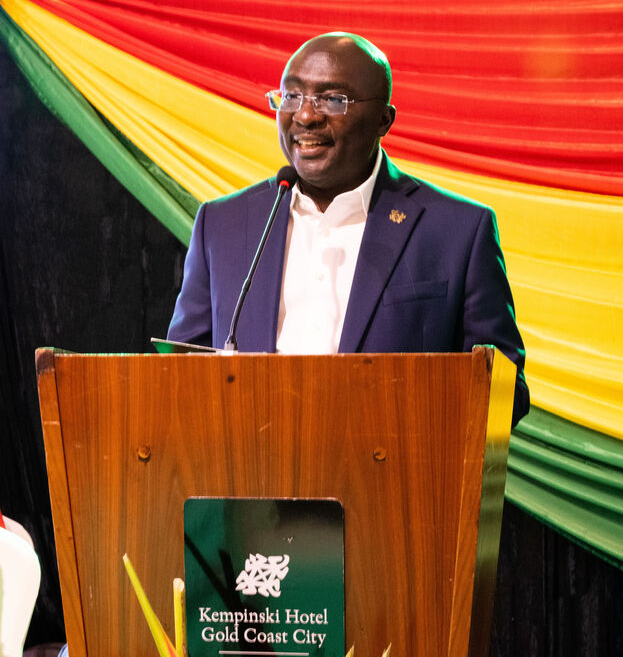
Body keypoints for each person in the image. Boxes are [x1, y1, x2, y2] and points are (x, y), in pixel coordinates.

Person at [168, 32, 529, 425]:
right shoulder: (223, 224)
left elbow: (505, 392)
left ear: (383, 120)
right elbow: (178, 377)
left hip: (394, 460)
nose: (306, 116)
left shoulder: (456, 231)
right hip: (250, 462)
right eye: (291, 96)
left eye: (332, 100)